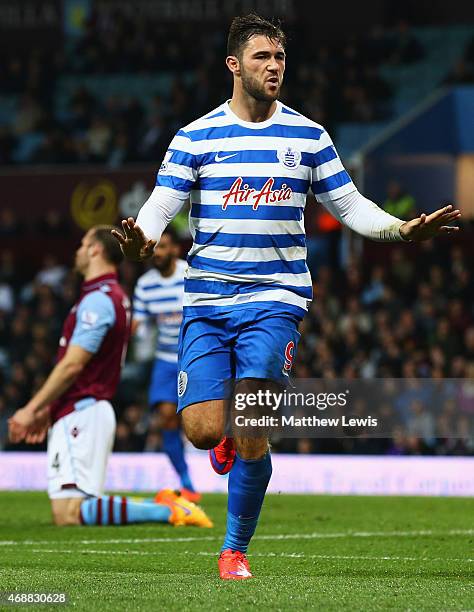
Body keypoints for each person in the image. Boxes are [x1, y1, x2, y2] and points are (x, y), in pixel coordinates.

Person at [112, 14, 461, 579]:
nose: (274, 67)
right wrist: (140, 243)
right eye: (261, 58)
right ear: (234, 66)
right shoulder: (195, 137)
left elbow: (350, 207)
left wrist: (400, 228)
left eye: (279, 58)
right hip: (205, 298)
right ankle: (224, 438)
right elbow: (157, 209)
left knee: (253, 425)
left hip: (276, 299)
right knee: (203, 430)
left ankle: (234, 549)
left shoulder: (308, 135)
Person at [8, 225, 212, 529]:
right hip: (84, 408)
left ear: (95, 250)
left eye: (82, 244)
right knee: (69, 512)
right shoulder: (115, 295)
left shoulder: (99, 300)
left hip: (83, 410)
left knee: (69, 513)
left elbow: (73, 365)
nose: (77, 250)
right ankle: (166, 506)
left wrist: (31, 409)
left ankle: (167, 510)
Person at [133, 226, 200, 502]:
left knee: (202, 420)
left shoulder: (189, 273)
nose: (158, 252)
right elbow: (138, 324)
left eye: (163, 247)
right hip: (164, 359)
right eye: (155, 247)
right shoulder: (145, 285)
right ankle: (186, 480)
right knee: (166, 418)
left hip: (194, 356)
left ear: (174, 249)